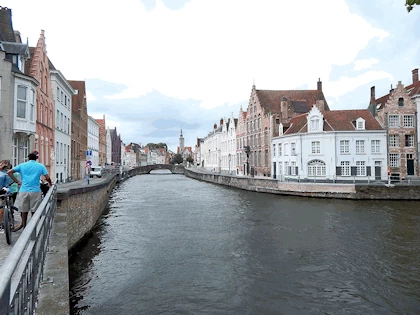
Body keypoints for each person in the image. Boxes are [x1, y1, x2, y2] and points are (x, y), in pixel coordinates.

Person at [7, 153, 52, 229]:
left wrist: (17, 181)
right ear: (36, 158)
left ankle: (24, 227)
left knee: (24, 211)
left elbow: (9, 172)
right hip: (35, 191)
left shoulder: (22, 165)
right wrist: (50, 184)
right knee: (34, 211)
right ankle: (34, 227)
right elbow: (47, 177)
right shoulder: (40, 166)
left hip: (23, 190)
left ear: (28, 158)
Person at [0, 160, 13, 231]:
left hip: (6, 191)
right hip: (4, 191)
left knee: (7, 207)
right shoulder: (4, 173)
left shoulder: (7, 173)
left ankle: (8, 222)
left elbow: (9, 183)